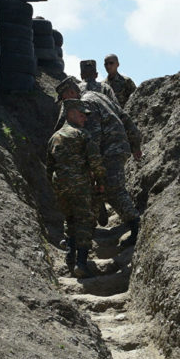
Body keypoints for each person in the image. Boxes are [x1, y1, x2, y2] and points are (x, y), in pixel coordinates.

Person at [55, 77, 143, 246]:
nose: (65, 104)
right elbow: (124, 117)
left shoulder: (85, 104)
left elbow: (93, 137)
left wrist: (90, 163)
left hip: (110, 150)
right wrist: (135, 144)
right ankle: (81, 233)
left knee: (113, 189)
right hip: (118, 146)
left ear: (71, 92)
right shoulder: (98, 95)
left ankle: (136, 227)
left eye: (64, 99)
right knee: (102, 189)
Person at [46, 98, 104, 278]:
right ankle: (81, 263)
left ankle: (70, 257)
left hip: (60, 186)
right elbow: (95, 160)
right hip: (81, 185)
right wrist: (100, 181)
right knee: (84, 220)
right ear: (70, 114)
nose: (85, 119)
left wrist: (56, 186)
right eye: (82, 115)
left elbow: (49, 167)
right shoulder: (82, 135)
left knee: (70, 219)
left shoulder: (54, 138)